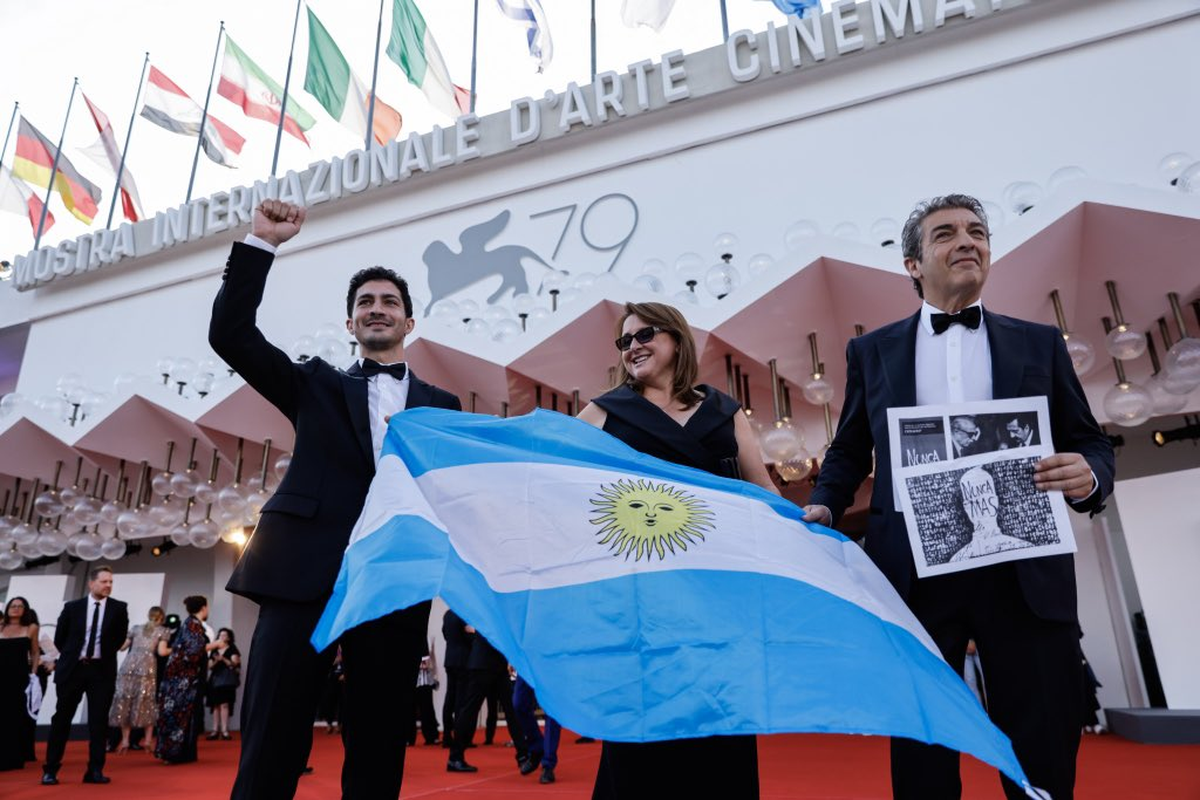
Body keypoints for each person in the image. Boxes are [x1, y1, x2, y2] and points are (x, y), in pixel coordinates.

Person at [803, 194, 1115, 800]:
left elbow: (1089, 442)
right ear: (913, 264)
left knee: (1043, 746)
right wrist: (823, 503)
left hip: (1024, 572)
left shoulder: (1040, 343)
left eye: (978, 231)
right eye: (946, 234)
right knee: (923, 750)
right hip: (915, 577)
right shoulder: (871, 351)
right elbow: (848, 450)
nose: (968, 241)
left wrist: (1092, 475)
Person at [209, 199, 462, 800]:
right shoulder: (315, 383)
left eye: (389, 303)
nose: (377, 309)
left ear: (409, 322)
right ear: (351, 325)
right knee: (273, 735)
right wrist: (261, 244)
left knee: (378, 744)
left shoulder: (445, 407)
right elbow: (231, 335)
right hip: (301, 574)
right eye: (365, 304)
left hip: (392, 581)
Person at [577, 301, 779, 799]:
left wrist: (819, 528)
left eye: (644, 335)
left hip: (718, 605)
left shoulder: (724, 412)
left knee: (720, 738)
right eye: (624, 342)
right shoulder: (603, 412)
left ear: (676, 339)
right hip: (642, 605)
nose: (633, 347)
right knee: (641, 751)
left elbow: (765, 494)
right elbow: (548, 477)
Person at [42, 565, 129, 786]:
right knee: (61, 720)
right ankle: (50, 770)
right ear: (92, 583)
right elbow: (61, 638)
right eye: (104, 581)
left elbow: (119, 639)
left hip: (101, 671)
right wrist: (73, 656)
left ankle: (95, 770)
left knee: (98, 723)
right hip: (73, 670)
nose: (108, 585)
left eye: (111, 582)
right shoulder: (72, 608)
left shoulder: (119, 608)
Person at [446, 627, 527, 773]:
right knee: (470, 711)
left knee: (510, 709)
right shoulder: (488, 608)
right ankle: (455, 756)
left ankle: (523, 755)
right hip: (483, 664)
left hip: (492, 663)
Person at [156, 596, 219, 764]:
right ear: (203, 608)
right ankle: (175, 753)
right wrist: (215, 645)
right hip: (183, 682)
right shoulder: (193, 625)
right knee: (180, 716)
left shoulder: (189, 624)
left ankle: (176, 752)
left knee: (179, 716)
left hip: (179, 679)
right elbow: (194, 651)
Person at [109, 605, 170, 754]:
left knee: (125, 701)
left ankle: (125, 741)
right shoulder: (163, 631)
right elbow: (162, 652)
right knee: (147, 701)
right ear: (161, 617)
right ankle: (148, 741)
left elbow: (122, 647)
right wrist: (180, 649)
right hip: (147, 667)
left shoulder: (136, 629)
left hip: (128, 666)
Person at [1, 596, 40, 771]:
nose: (16, 609)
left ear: (25, 610)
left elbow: (34, 652)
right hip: (1, 676)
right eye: (13, 606)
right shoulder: (0, 626)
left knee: (15, 717)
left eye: (20, 606)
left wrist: (33, 674)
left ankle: (14, 758)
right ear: (8, 608)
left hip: (19, 678)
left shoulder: (31, 628)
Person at [513, 674, 561, 784]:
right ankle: (537, 747)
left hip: (552, 664)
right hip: (528, 662)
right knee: (519, 704)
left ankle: (548, 764)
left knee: (552, 710)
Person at [441, 609, 472, 750]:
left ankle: (447, 736)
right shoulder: (463, 614)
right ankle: (461, 739)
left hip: (449, 659)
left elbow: (445, 634)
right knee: (461, 701)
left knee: (449, 699)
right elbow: (468, 638)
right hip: (462, 661)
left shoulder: (447, 614)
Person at [206, 628, 241, 741]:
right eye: (220, 635)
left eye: (225, 635)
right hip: (215, 680)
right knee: (215, 705)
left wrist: (223, 659)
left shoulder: (232, 649)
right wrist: (216, 660)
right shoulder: (214, 649)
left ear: (229, 637)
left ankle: (225, 730)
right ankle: (215, 730)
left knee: (225, 705)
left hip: (227, 680)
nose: (222, 637)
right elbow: (210, 666)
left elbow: (235, 664)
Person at [409, 643, 439, 746]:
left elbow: (427, 663)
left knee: (427, 708)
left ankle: (431, 736)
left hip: (424, 680)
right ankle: (409, 738)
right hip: (412, 680)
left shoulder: (425, 638)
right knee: (410, 710)